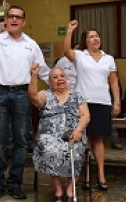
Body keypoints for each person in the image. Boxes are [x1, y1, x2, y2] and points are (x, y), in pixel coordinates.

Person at [0, 0, 50, 200]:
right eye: (11, 16)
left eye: (18, 17)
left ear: (23, 22)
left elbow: (43, 71)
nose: (14, 19)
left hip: (22, 95)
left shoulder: (31, 45)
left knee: (21, 140)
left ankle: (15, 182)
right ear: (5, 21)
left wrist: (62, 86)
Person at [63, 20, 121, 191]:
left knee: (98, 139)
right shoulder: (80, 56)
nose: (95, 39)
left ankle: (101, 174)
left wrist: (116, 101)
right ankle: (84, 175)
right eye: (91, 36)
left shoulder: (108, 58)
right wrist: (69, 31)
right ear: (85, 41)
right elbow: (66, 51)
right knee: (83, 139)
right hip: (83, 103)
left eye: (97, 36)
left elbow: (114, 81)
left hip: (102, 101)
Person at [28, 65, 90, 202]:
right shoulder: (46, 95)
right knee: (50, 149)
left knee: (76, 150)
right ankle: (58, 188)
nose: (60, 79)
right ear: (49, 82)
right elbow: (32, 96)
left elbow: (86, 115)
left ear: (66, 79)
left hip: (74, 133)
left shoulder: (76, 95)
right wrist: (34, 76)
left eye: (62, 76)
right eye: (55, 77)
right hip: (49, 136)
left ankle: (70, 187)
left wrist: (78, 130)